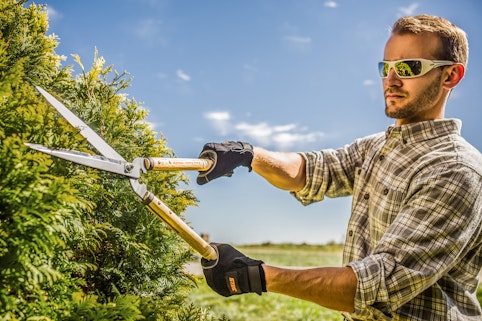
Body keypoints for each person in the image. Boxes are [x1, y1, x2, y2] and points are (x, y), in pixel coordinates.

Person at [197, 14, 482, 321]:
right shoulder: (377, 147)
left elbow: (374, 284)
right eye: (385, 68)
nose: (391, 80)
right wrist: (249, 155)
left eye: (409, 67)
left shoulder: (455, 170)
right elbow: (315, 171)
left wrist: (259, 276)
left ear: (450, 76)